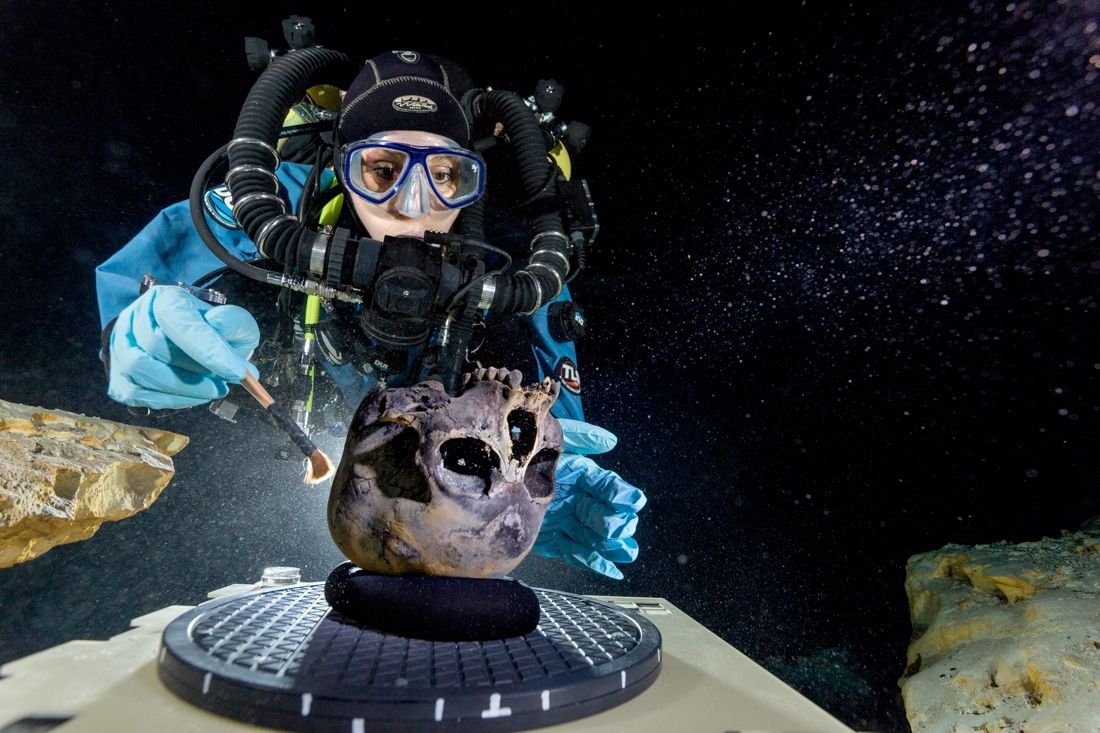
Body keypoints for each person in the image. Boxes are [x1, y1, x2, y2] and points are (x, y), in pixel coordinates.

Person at [95, 49, 644, 580]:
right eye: (381, 170)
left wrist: (539, 462)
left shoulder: (511, 252)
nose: (412, 203)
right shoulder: (288, 201)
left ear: (467, 180)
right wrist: (126, 330)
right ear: (343, 164)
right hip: (309, 405)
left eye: (446, 175)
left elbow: (555, 352)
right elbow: (161, 254)